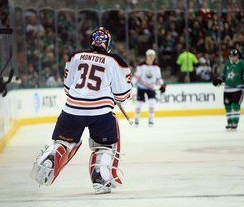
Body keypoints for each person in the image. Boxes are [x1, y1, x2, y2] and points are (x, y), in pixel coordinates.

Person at [30, 27, 132, 194]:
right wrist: (117, 98)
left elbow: (68, 87)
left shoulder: (75, 57)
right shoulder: (115, 60)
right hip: (100, 113)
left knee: (63, 142)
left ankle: (52, 155)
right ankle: (100, 178)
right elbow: (122, 94)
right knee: (104, 146)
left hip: (72, 109)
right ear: (108, 43)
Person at [212, 49, 244, 131]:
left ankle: (235, 124)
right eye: (231, 56)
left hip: (238, 89)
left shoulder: (243, 64)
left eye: (234, 56)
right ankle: (229, 123)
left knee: (235, 105)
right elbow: (224, 76)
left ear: (237, 56)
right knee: (227, 107)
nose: (232, 58)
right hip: (227, 89)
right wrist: (219, 80)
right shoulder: (227, 63)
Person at [134, 49, 166, 126]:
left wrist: (162, 84)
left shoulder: (156, 67)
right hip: (141, 87)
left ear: (154, 57)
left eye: (152, 56)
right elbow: (137, 77)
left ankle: (151, 119)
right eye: (149, 56)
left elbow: (158, 78)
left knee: (152, 103)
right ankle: (136, 118)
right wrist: (131, 82)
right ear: (146, 56)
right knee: (139, 103)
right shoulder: (141, 66)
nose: (151, 57)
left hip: (151, 88)